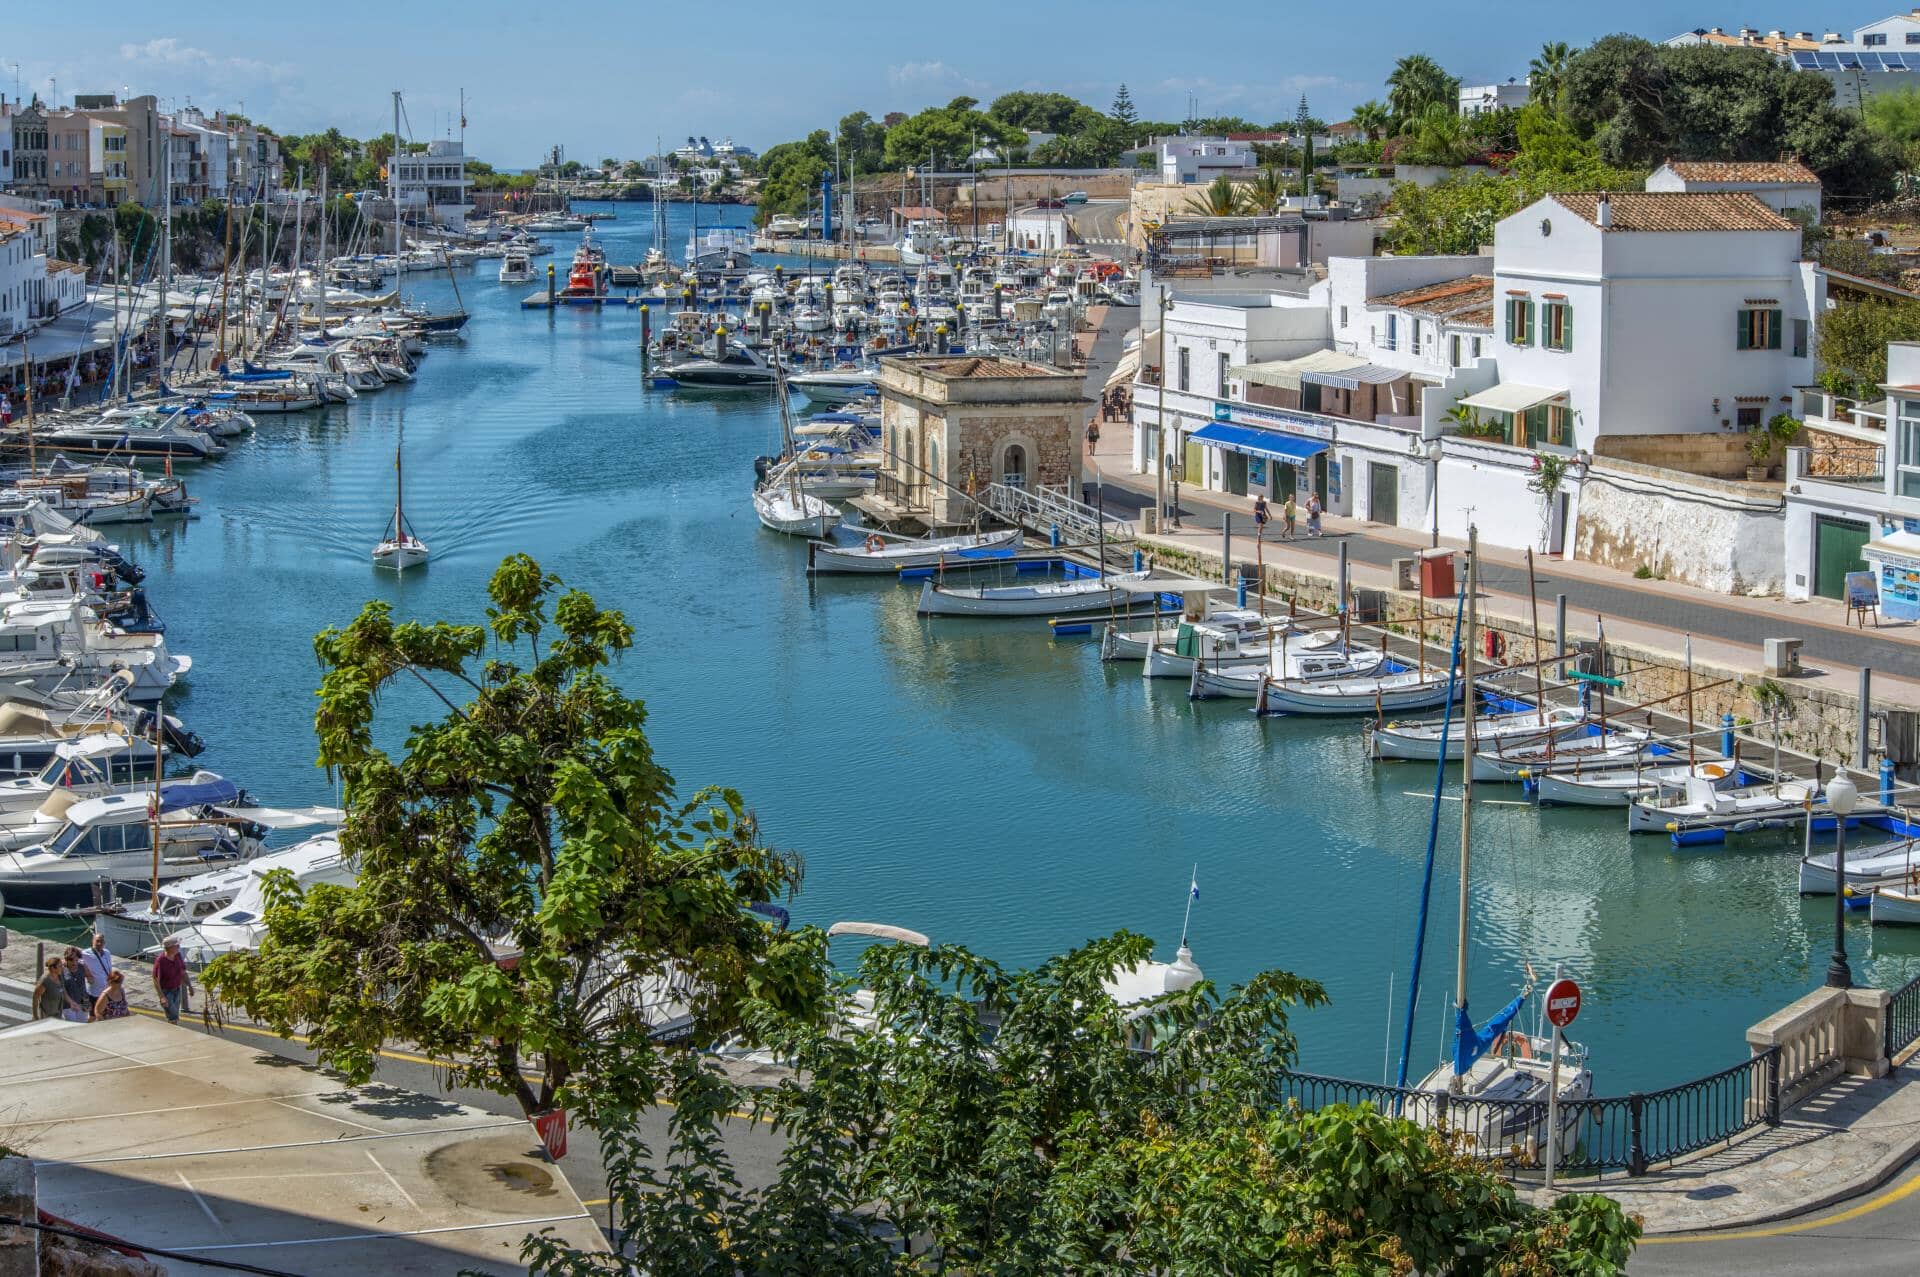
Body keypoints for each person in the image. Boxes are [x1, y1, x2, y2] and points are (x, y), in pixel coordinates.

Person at [152, 937, 192, 1024]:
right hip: (166, 992)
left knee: (174, 1016)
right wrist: (162, 997)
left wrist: (190, 986)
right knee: (173, 1016)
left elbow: (183, 972)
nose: (179, 946)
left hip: (176, 990)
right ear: (170, 948)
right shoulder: (160, 960)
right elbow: (155, 979)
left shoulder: (178, 956)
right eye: (177, 945)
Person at [77, 932, 114, 1001]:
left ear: (104, 942)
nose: (99, 943)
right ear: (92, 941)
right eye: (97, 941)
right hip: (94, 992)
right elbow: (72, 956)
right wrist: (87, 974)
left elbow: (109, 969)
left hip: (107, 991)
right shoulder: (85, 953)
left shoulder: (107, 953)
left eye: (101, 941)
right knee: (94, 1011)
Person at [60, 947, 91, 1022]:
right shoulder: (62, 970)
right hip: (68, 1005)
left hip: (83, 1002)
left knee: (83, 1024)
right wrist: (71, 1002)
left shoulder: (81, 966)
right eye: (71, 960)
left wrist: (87, 1003)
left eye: (76, 960)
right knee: (72, 1025)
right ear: (66, 959)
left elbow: (91, 979)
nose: (74, 962)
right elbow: (62, 989)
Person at [35, 956, 67, 1021]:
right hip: (46, 1016)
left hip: (58, 1014)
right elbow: (35, 997)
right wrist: (36, 1016)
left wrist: (71, 1002)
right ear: (53, 968)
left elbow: (63, 990)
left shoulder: (60, 976)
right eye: (60, 966)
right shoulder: (45, 981)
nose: (62, 968)